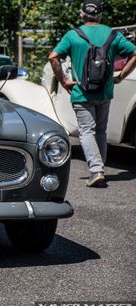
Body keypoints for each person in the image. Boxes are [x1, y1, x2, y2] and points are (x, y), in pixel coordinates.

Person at [48, 0, 136, 187]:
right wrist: (121, 75)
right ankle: (99, 167)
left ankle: (96, 170)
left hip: (82, 93)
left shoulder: (73, 35)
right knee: (100, 131)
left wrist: (63, 80)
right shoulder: (112, 35)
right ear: (100, 15)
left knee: (87, 131)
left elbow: (53, 57)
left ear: (82, 14)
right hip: (105, 92)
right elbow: (134, 53)